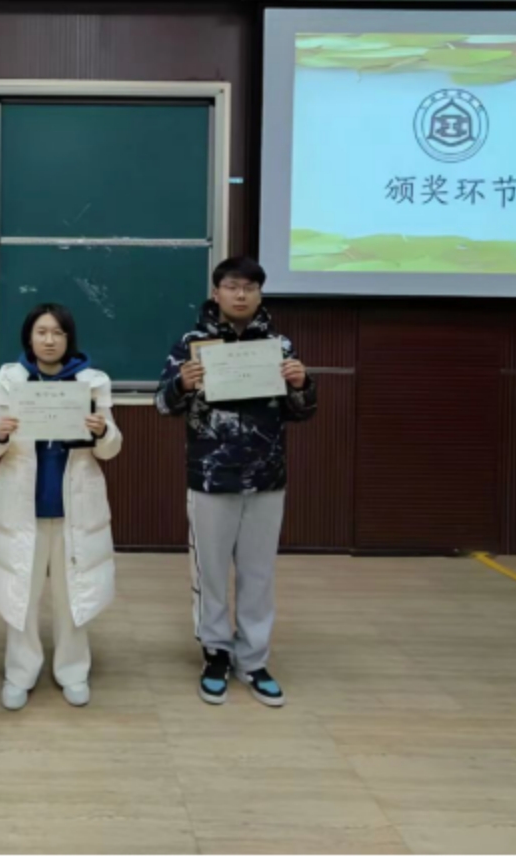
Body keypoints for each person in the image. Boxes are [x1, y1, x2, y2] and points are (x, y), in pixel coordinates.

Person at [155, 257, 316, 707]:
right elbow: (162, 405)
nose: (240, 295)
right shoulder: (192, 344)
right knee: (210, 572)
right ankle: (215, 654)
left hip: (267, 477)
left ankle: (253, 659)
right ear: (217, 292)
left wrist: (302, 383)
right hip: (211, 476)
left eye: (249, 287)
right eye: (232, 286)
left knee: (258, 574)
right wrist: (181, 385)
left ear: (260, 294)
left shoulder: (278, 345)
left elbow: (303, 411)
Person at [0, 303, 122, 711]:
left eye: (58, 332)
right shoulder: (12, 379)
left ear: (68, 338)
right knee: (21, 593)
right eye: (41, 331)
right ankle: (19, 672)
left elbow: (111, 448)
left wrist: (103, 431)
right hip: (23, 506)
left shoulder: (91, 382)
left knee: (72, 594)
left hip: (74, 506)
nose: (49, 340)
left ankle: (73, 671)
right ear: (29, 336)